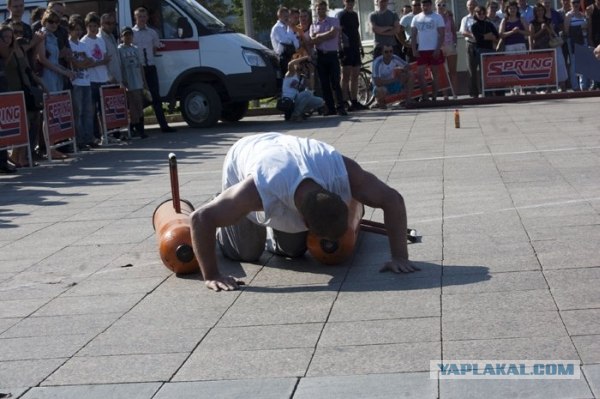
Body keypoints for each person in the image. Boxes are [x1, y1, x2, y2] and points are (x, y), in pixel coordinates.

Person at [189, 132, 419, 292]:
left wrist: (400, 257)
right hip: (246, 157)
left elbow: (393, 199)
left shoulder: (341, 171)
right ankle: (220, 204)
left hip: (285, 161)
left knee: (294, 251)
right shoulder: (258, 189)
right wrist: (211, 275)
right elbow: (200, 218)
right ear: (304, 220)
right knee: (247, 252)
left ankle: (272, 228)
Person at [133, 7, 177, 133]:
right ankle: (139, 128)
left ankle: (164, 125)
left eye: (144, 16)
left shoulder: (152, 32)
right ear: (135, 18)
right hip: (138, 68)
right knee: (139, 98)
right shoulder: (132, 33)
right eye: (139, 16)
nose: (142, 19)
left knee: (155, 97)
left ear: (147, 18)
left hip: (150, 66)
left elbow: (155, 48)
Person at [310, 0, 347, 116]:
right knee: (324, 84)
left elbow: (333, 34)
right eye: (318, 9)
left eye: (322, 8)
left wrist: (319, 36)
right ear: (316, 10)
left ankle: (340, 107)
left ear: (326, 9)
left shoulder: (334, 20)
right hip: (320, 56)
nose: (320, 11)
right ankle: (331, 108)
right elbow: (313, 40)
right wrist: (325, 34)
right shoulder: (313, 25)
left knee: (335, 82)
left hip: (332, 55)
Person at [81, 12, 111, 144]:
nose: (93, 28)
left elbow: (104, 57)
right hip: (91, 80)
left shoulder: (100, 40)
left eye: (95, 26)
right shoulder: (84, 42)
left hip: (103, 78)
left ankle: (106, 134)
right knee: (91, 110)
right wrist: (100, 62)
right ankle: (94, 135)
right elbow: (88, 63)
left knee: (103, 110)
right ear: (86, 26)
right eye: (90, 26)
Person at [68, 18, 95, 150]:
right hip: (76, 82)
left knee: (87, 111)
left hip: (86, 80)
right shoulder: (68, 44)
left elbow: (91, 60)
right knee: (77, 112)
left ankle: (89, 138)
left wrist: (82, 63)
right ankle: (79, 140)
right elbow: (75, 63)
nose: (78, 32)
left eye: (79, 29)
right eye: (75, 30)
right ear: (70, 30)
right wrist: (82, 63)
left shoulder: (83, 45)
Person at [411, 0, 445, 101]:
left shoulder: (437, 17)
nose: (425, 7)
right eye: (423, 5)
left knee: (434, 73)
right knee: (420, 74)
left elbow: (442, 34)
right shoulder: (416, 18)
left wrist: (438, 49)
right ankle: (425, 96)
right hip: (422, 50)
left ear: (430, 5)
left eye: (427, 5)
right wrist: (414, 49)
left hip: (433, 49)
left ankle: (434, 95)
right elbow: (413, 35)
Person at [336, 0, 367, 111]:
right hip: (346, 48)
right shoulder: (341, 15)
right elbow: (338, 33)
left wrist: (360, 46)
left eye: (352, 1)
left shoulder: (354, 15)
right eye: (348, 1)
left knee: (355, 75)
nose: (350, 3)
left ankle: (354, 101)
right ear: (344, 2)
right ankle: (343, 101)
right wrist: (340, 49)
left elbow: (356, 31)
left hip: (355, 47)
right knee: (345, 76)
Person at [119, 26, 148, 139]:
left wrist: (144, 81)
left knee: (139, 105)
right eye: (125, 35)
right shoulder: (120, 50)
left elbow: (140, 66)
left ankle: (139, 128)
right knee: (133, 106)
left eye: (130, 35)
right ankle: (135, 128)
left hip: (138, 81)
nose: (128, 37)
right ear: (122, 37)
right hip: (129, 82)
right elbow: (120, 66)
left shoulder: (135, 49)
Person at [281, 56, 324, 122]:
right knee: (308, 93)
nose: (302, 66)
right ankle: (296, 115)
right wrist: (305, 57)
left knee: (320, 101)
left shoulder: (303, 78)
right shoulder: (291, 73)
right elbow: (290, 64)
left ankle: (298, 113)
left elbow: (311, 89)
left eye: (303, 64)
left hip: (296, 100)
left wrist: (311, 72)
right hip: (288, 101)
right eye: (300, 63)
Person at [371, 44, 414, 108]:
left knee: (410, 74)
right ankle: (380, 103)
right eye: (386, 52)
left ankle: (408, 101)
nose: (389, 54)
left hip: (392, 83)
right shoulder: (377, 62)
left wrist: (402, 70)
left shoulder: (394, 58)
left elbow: (408, 66)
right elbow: (377, 82)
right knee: (380, 90)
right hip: (382, 86)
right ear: (382, 53)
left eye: (391, 51)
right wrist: (393, 80)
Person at [471, 5, 500, 96]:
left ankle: (493, 91)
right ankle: (485, 92)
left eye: (483, 13)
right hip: (480, 50)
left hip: (490, 49)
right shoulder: (474, 26)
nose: (481, 15)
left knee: (491, 71)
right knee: (483, 71)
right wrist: (488, 36)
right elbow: (478, 38)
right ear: (475, 14)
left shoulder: (489, 24)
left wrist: (486, 37)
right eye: (479, 13)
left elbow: (496, 36)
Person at [436, 1, 458, 99]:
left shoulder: (449, 17)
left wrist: (455, 42)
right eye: (439, 5)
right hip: (439, 47)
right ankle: (445, 94)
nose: (441, 7)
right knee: (442, 72)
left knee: (452, 71)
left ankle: (454, 93)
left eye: (443, 5)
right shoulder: (433, 17)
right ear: (435, 6)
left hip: (450, 45)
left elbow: (454, 31)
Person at [270, 7, 299, 78]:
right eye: (284, 16)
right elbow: (285, 41)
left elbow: (296, 44)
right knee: (287, 79)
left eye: (287, 16)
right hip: (282, 58)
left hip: (291, 56)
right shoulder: (277, 28)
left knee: (294, 79)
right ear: (279, 16)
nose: (287, 18)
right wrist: (291, 40)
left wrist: (291, 40)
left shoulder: (288, 27)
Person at [460, 0, 480, 97]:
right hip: (470, 45)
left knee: (485, 68)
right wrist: (472, 34)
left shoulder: (482, 17)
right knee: (471, 70)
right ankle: (474, 93)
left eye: (473, 4)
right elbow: (463, 32)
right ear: (467, 7)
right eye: (469, 5)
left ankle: (487, 91)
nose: (471, 6)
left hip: (482, 45)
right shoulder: (465, 19)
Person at [100, 13, 122, 85]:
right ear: (102, 23)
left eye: (113, 23)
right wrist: (109, 77)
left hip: (117, 78)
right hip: (108, 80)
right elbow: (101, 61)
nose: (111, 26)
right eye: (108, 23)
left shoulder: (111, 35)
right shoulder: (100, 38)